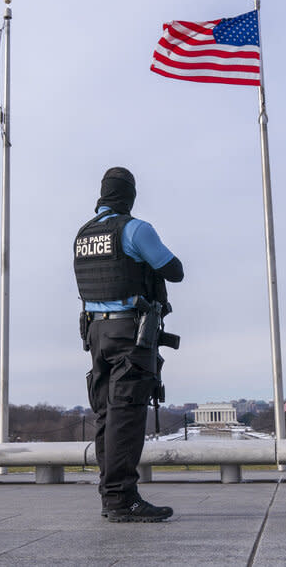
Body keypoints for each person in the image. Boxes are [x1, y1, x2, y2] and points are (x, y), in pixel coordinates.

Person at [73, 167, 184, 523]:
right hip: (128, 333)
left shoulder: (84, 234)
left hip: (95, 334)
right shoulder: (134, 229)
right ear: (129, 196)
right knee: (127, 413)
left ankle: (111, 495)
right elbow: (174, 269)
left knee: (107, 413)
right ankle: (122, 499)